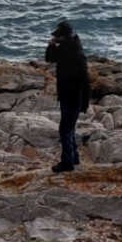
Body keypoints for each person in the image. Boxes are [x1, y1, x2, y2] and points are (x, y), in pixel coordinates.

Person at [44, 20, 90, 173]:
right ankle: (74, 157)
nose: (56, 38)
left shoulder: (67, 50)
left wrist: (51, 45)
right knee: (69, 128)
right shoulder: (74, 47)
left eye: (58, 36)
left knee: (65, 129)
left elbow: (49, 58)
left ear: (63, 37)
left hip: (70, 96)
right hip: (74, 95)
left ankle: (67, 163)